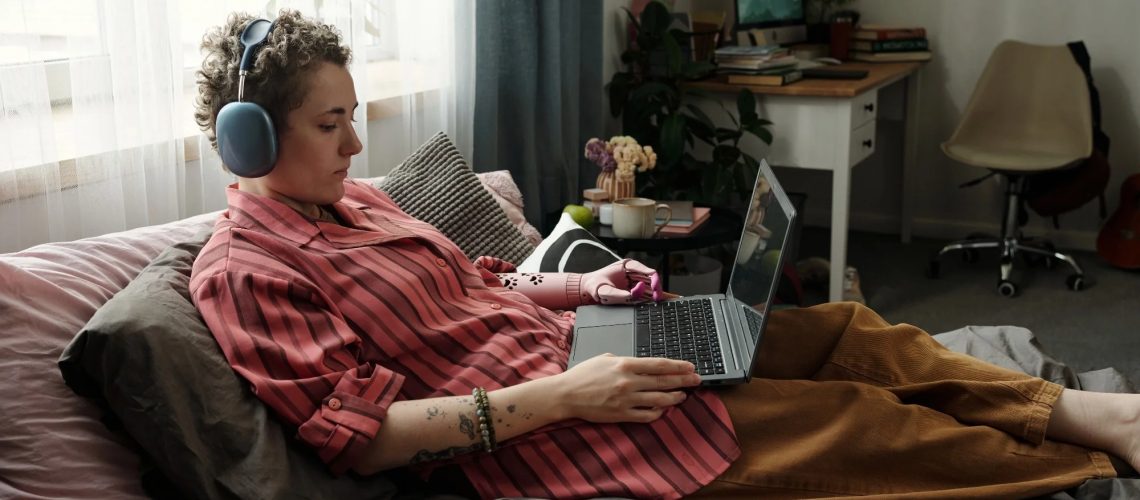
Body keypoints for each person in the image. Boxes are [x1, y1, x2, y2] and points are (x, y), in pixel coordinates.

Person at [190, 10, 1140, 500]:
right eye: (330, 125)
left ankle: (1093, 416)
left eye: (354, 118)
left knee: (850, 332)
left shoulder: (354, 200)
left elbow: (484, 280)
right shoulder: (246, 272)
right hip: (566, 436)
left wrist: (578, 282)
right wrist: (571, 394)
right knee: (859, 424)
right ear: (251, 143)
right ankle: (1089, 479)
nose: (357, 147)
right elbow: (363, 438)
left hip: (588, 351)